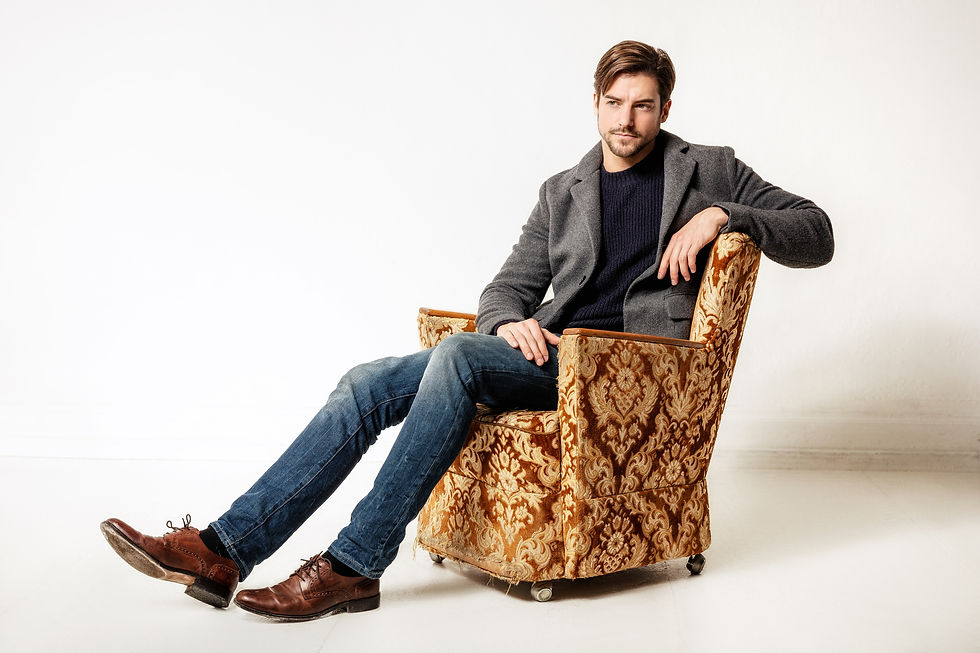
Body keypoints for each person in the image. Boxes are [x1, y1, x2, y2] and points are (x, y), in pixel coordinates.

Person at [101, 40, 833, 622]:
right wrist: (508, 324)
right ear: (595, 103)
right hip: (553, 357)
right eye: (614, 103)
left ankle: (354, 563)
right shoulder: (563, 191)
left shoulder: (710, 170)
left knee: (454, 357)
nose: (626, 120)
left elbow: (816, 230)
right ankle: (223, 548)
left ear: (666, 106)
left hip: (627, 369)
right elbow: (506, 287)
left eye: (643, 105)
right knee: (365, 382)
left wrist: (723, 215)